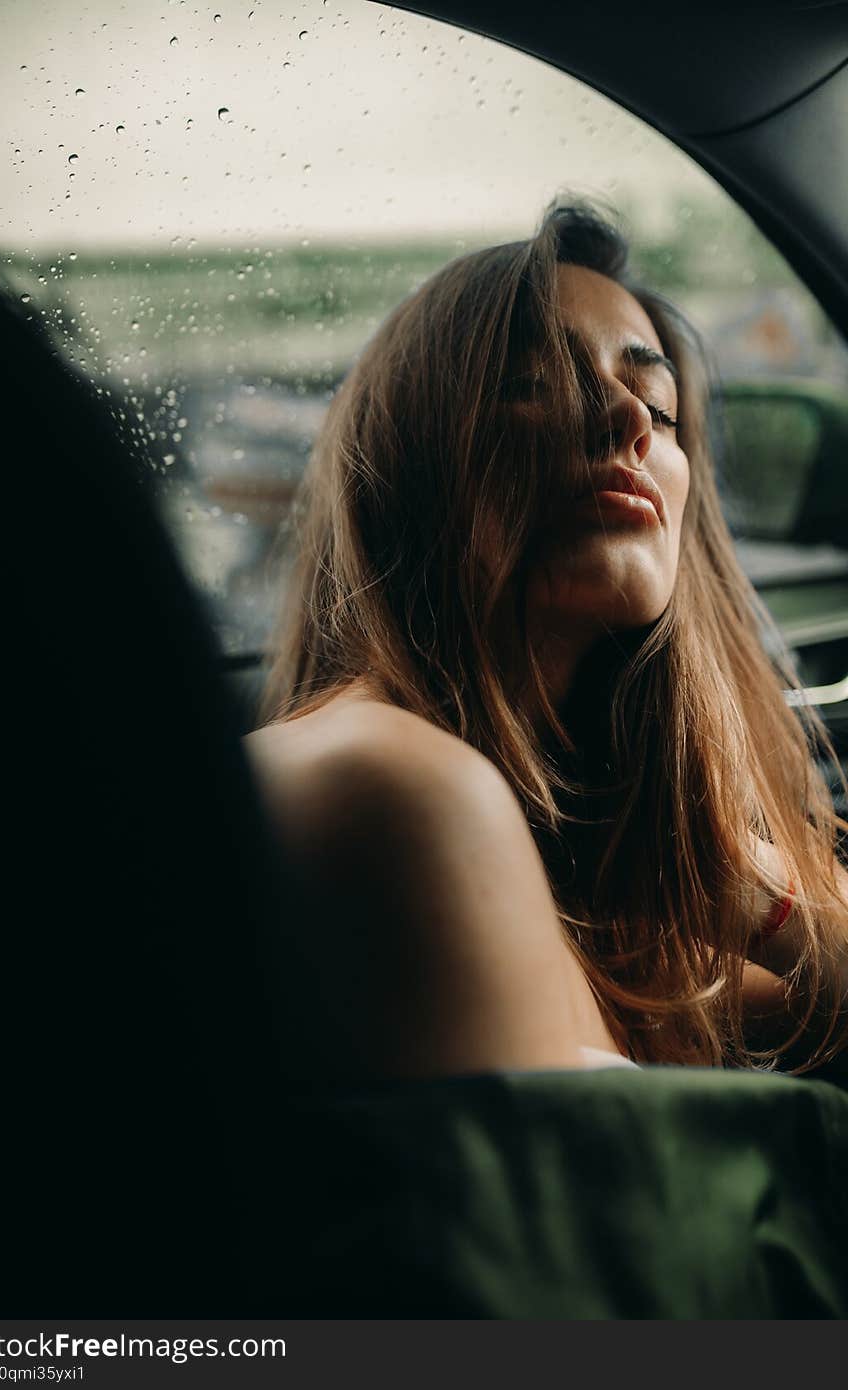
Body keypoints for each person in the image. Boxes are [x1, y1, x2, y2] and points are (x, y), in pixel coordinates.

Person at [244, 198, 848, 1083]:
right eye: (535, 381)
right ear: (414, 450)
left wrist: (742, 879)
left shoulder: (592, 887)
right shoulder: (390, 789)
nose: (628, 422)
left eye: (656, 400)